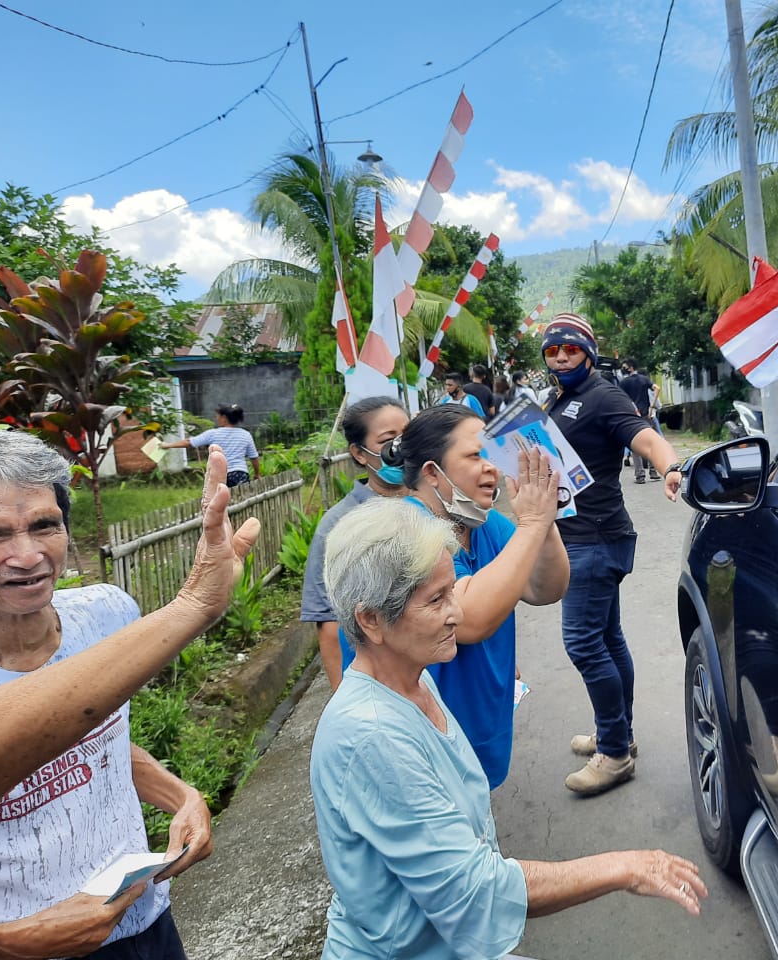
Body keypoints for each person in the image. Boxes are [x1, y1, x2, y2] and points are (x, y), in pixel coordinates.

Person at [311, 498, 707, 959]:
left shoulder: (413, 682)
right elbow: (477, 891)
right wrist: (623, 867)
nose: (456, 614)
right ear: (371, 620)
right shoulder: (372, 736)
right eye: (436, 600)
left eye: (452, 591)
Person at [0, 432, 256, 959]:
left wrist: (180, 795)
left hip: (147, 921)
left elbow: (99, 739)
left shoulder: (105, 614)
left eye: (45, 525)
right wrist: (2, 941)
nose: (27, 556)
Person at [384, 404, 568, 789]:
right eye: (475, 456)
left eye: (491, 455)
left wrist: (544, 520)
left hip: (479, 725)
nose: (493, 468)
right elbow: (467, 619)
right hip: (425, 742)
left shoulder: (485, 524)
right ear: (433, 473)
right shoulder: (408, 531)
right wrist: (532, 523)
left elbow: (545, 588)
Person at [540, 313, 684, 796]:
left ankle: (616, 755)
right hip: (587, 535)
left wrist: (668, 465)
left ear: (589, 352)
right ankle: (616, 733)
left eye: (571, 349)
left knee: (583, 643)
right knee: (607, 636)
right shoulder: (563, 396)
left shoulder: (601, 395)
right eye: (553, 351)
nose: (561, 357)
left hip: (594, 540)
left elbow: (641, 434)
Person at [302, 396, 411, 691]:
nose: (402, 447)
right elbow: (328, 622)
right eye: (389, 441)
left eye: (408, 436)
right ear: (359, 454)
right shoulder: (339, 525)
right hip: (380, 684)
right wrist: (346, 702)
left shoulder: (433, 501)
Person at [160, 403, 261, 487]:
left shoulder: (213, 434)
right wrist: (257, 474)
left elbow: (189, 442)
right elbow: (254, 457)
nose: (216, 418)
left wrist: (168, 445)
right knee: (241, 500)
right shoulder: (246, 435)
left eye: (217, 416)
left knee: (220, 504)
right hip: (240, 474)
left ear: (224, 418)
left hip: (219, 475)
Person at [618, 359, 659, 484]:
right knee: (651, 443)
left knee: (635, 446)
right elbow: (657, 388)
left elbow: (620, 398)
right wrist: (652, 406)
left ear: (630, 368)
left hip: (632, 416)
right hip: (646, 414)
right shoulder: (644, 379)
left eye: (624, 366)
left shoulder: (624, 382)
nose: (623, 369)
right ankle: (653, 472)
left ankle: (640, 475)